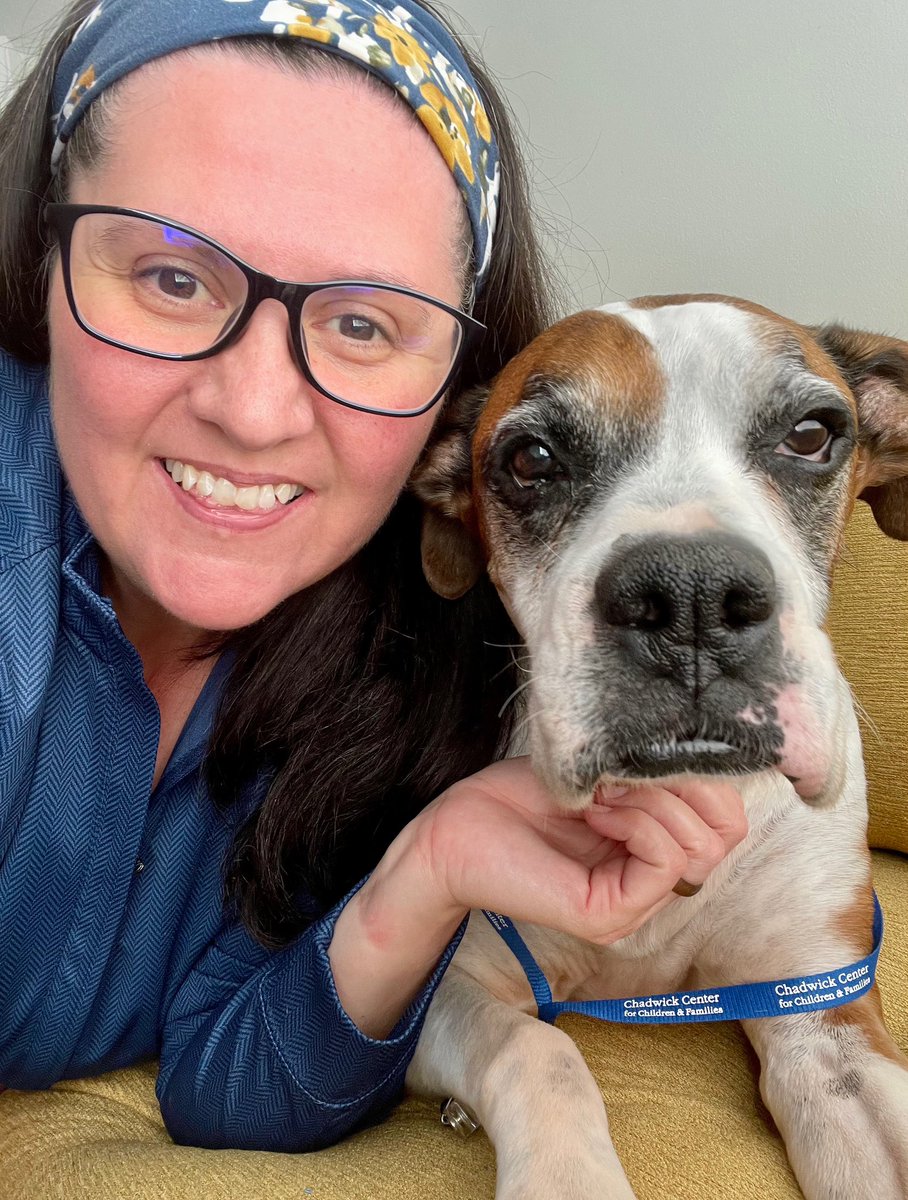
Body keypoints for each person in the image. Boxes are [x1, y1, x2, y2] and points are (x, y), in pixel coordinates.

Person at [0, 0, 747, 1162]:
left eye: (359, 323)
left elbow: (229, 1080)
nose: (252, 411)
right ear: (44, 255)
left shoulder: (422, 654)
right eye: (171, 279)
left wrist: (426, 874)